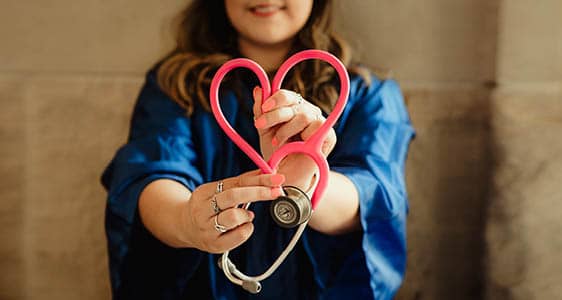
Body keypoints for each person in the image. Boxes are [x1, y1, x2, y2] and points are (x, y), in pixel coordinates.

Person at [101, 0, 415, 299]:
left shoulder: (369, 95)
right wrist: (187, 221)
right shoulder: (174, 86)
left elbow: (374, 194)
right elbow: (147, 174)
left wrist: (304, 183)